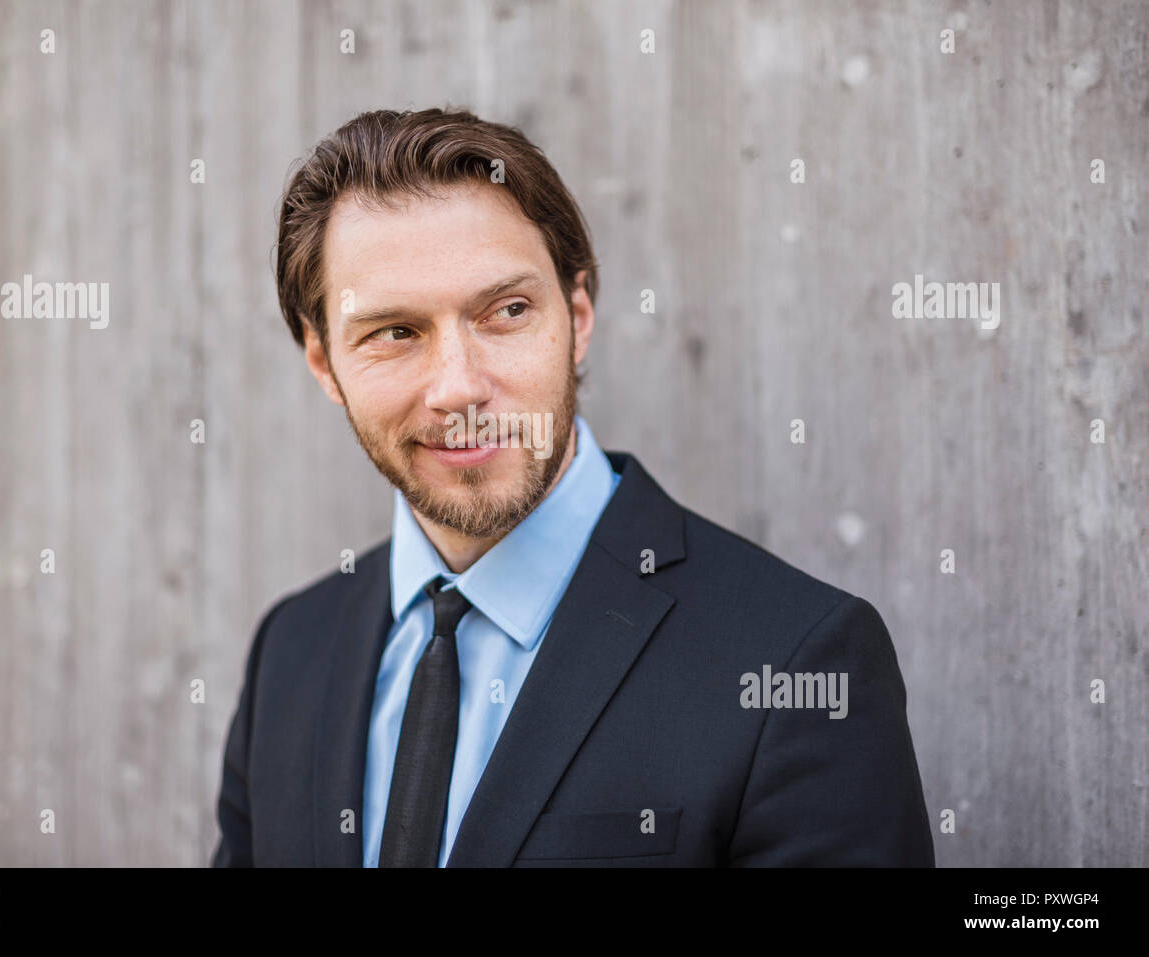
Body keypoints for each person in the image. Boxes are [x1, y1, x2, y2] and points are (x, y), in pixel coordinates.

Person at [211, 108, 934, 867]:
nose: (458, 387)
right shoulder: (288, 654)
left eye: (507, 311)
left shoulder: (797, 660)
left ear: (578, 316)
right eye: (395, 332)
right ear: (325, 363)